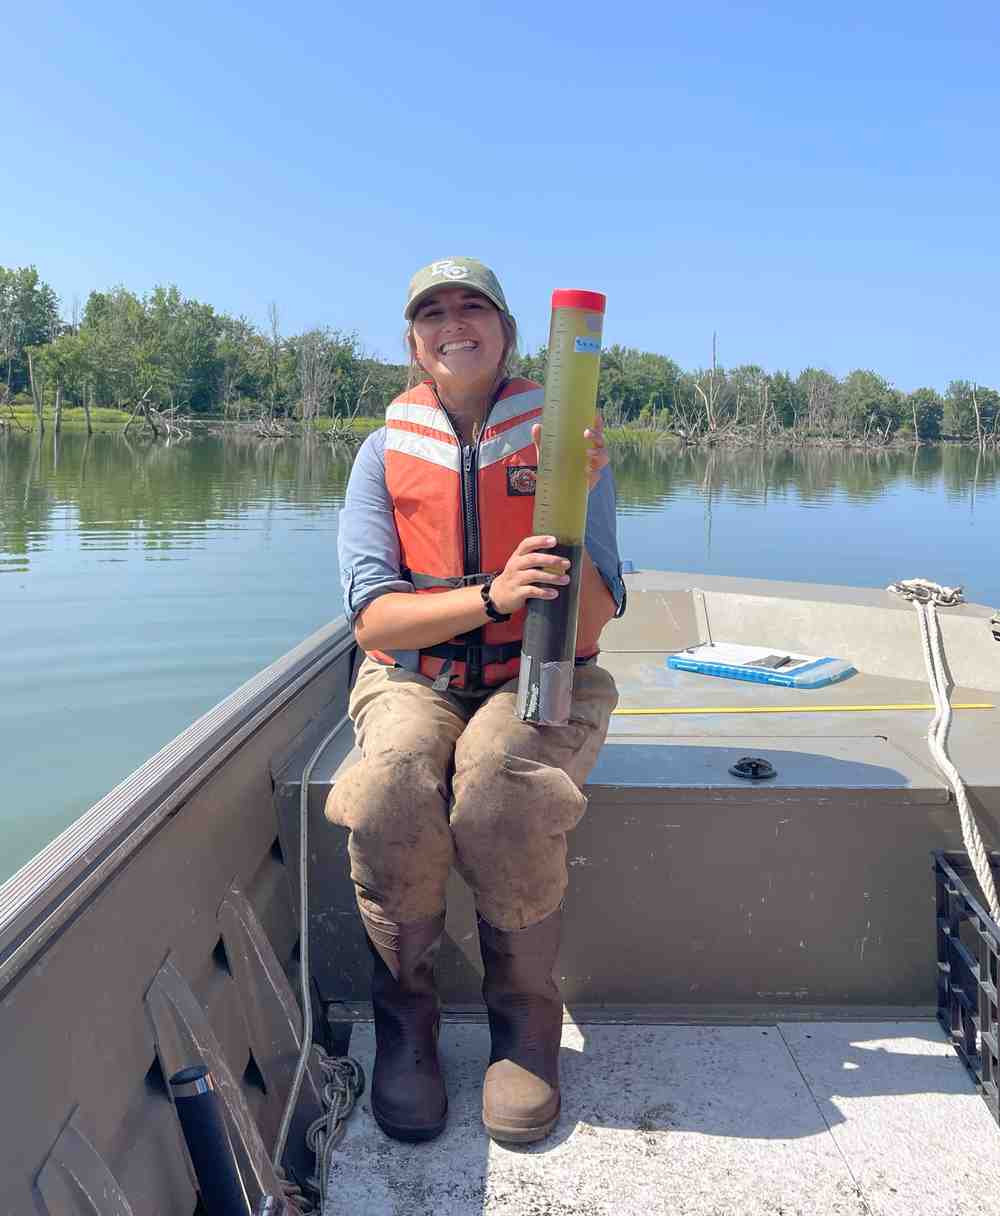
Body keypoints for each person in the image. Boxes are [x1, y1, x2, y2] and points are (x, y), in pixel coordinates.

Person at [326, 257, 626, 1146]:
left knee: (499, 780)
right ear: (415, 344)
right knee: (387, 787)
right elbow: (373, 614)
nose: (453, 322)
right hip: (413, 676)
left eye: (473, 307)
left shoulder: (571, 438)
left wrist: (571, 499)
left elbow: (598, 615)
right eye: (432, 312)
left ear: (506, 331)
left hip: (543, 672)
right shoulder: (381, 453)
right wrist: (493, 595)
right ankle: (405, 1023)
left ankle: (525, 1025)